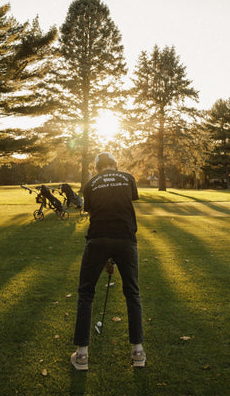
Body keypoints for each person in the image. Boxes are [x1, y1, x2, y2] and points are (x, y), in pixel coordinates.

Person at [70, 152, 145, 370]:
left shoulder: (91, 183)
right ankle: (138, 352)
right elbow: (121, 207)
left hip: (97, 239)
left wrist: (106, 256)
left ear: (96, 168)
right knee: (132, 293)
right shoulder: (127, 178)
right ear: (115, 165)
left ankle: (82, 355)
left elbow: (99, 213)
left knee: (86, 293)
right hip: (126, 239)